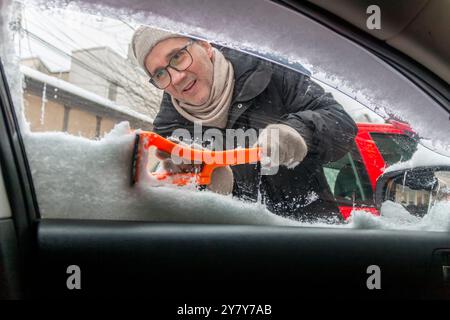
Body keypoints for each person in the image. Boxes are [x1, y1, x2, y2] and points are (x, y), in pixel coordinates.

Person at [131, 26, 357, 222]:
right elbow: (177, 209)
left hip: (311, 238)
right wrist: (210, 190)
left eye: (178, 57)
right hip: (233, 249)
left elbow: (341, 123)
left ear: (205, 46)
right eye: (160, 73)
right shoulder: (169, 129)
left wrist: (298, 132)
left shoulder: (271, 72)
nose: (176, 77)